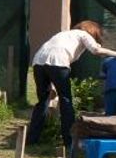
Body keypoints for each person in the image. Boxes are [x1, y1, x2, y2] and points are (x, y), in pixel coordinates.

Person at [27, 20, 116, 148]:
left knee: (42, 102)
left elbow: (49, 59)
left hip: (38, 63)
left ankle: (32, 139)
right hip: (58, 63)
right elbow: (96, 50)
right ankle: (69, 141)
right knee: (66, 101)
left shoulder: (63, 34)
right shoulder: (83, 35)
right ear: (93, 32)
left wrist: (52, 84)